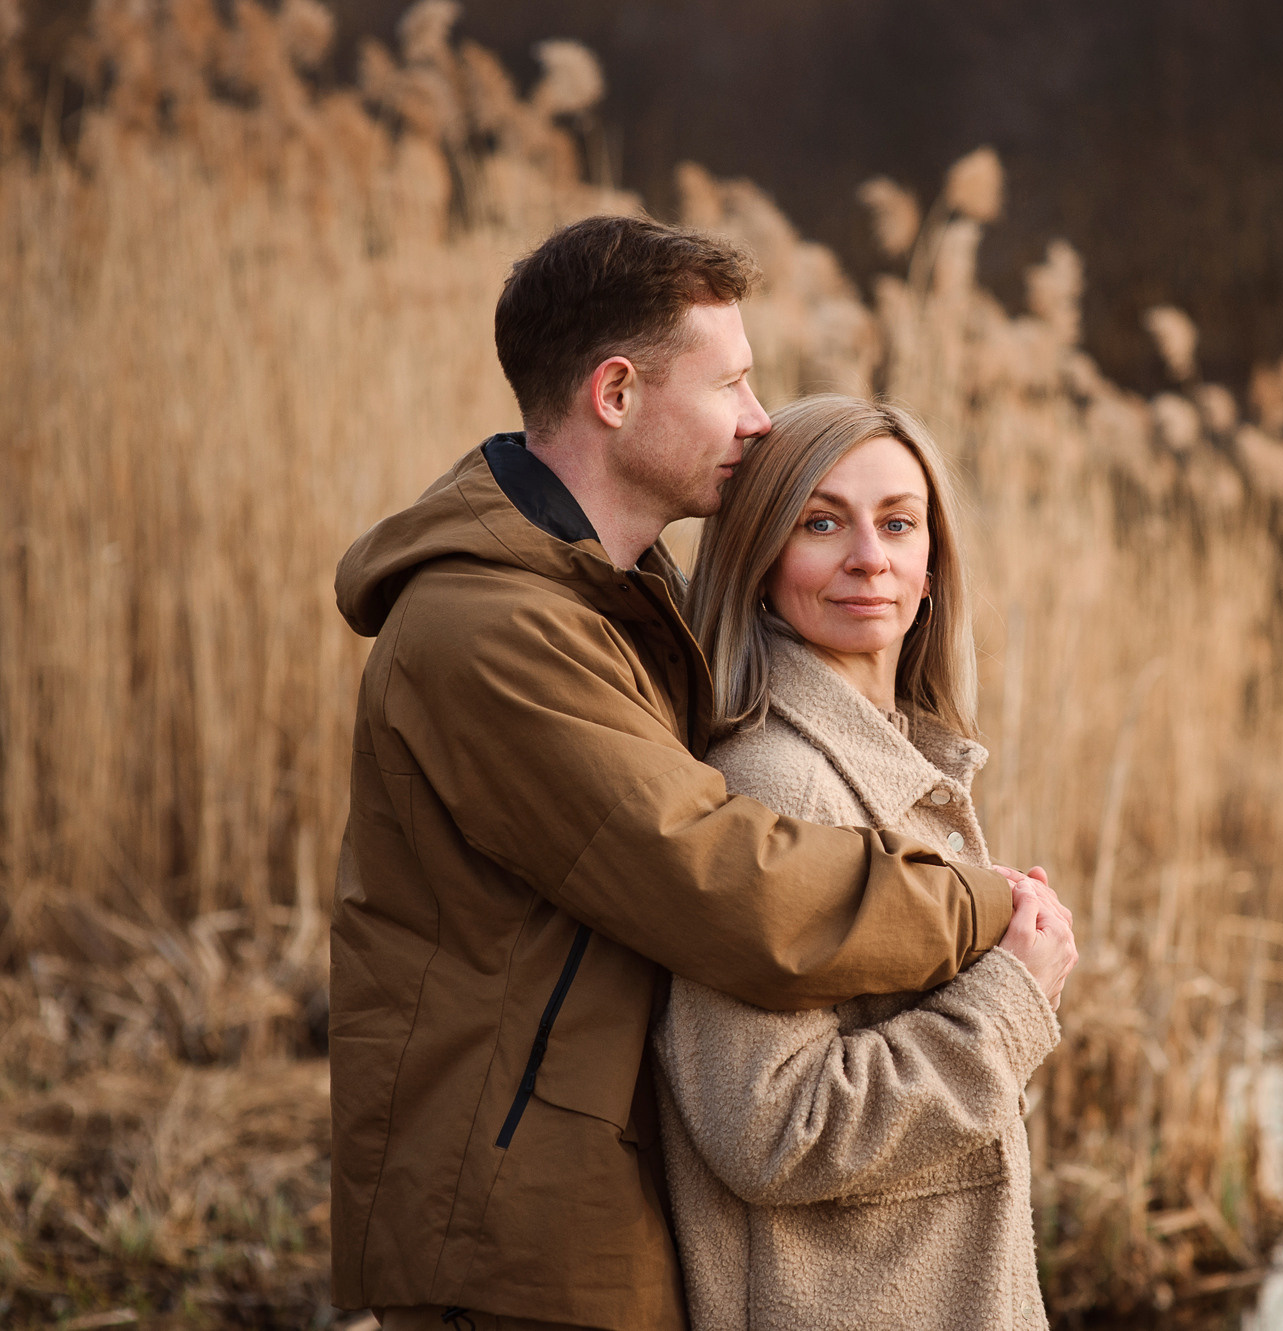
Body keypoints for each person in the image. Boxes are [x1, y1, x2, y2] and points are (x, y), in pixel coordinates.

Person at [329, 217, 1074, 1331]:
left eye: (900, 525)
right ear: (617, 393)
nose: (758, 417)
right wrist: (986, 906)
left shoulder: (613, 605)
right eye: (729, 381)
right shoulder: (492, 631)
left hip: (586, 1208)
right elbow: (721, 879)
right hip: (510, 1235)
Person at [653, 395, 1071, 1331]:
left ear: (932, 568)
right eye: (821, 522)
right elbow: (770, 1127)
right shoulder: (778, 787)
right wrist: (1012, 997)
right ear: (760, 560)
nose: (867, 558)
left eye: (896, 523)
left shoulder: (895, 758)